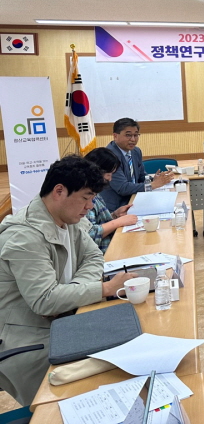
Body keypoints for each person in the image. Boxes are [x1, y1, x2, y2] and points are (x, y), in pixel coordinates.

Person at [0, 156, 136, 406]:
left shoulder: (68, 218)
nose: (90, 206)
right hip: (29, 342)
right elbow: (44, 301)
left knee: (129, 346)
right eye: (85, 198)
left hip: (62, 320)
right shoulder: (24, 237)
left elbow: (93, 256)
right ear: (59, 191)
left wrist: (72, 291)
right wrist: (104, 288)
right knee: (102, 385)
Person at [100, 117, 173, 213]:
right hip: (117, 208)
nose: (133, 139)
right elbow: (123, 188)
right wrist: (152, 185)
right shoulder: (109, 156)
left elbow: (141, 176)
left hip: (135, 199)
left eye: (136, 135)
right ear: (115, 136)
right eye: (128, 135)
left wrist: (154, 179)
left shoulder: (135, 151)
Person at [84, 147, 139, 253]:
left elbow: (98, 220)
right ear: (96, 171)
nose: (110, 179)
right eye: (108, 175)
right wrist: (118, 222)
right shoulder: (85, 197)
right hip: (102, 253)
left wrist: (114, 215)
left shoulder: (95, 192)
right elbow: (90, 235)